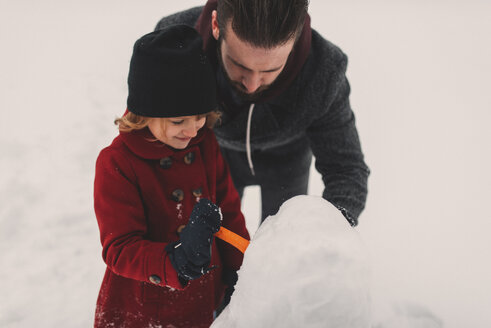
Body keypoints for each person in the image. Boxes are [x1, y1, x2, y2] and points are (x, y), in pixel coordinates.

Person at [156, 0, 370, 226]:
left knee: (284, 248)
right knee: (210, 249)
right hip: (212, 154)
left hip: (288, 159)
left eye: (270, 70)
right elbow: (143, 137)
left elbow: (346, 168)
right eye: (239, 65)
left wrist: (331, 228)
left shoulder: (324, 71)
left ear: (294, 43)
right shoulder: (171, 44)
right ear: (216, 25)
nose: (252, 85)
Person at [93, 25, 249, 327]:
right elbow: (119, 248)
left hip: (203, 298)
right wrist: (173, 260)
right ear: (144, 113)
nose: (192, 131)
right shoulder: (117, 163)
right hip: (143, 307)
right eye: (178, 120)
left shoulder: (204, 144)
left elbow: (228, 212)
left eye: (200, 116)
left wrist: (239, 271)